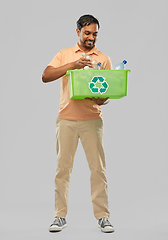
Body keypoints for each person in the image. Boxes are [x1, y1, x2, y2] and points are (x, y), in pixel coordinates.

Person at [42, 14, 115, 233]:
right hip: (66, 119)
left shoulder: (103, 58)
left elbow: (107, 92)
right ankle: (59, 216)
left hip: (92, 120)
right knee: (62, 170)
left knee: (98, 170)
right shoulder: (64, 54)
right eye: (87, 33)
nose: (91, 37)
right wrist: (75, 64)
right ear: (78, 32)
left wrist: (101, 99)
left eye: (95, 34)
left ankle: (103, 217)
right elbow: (46, 76)